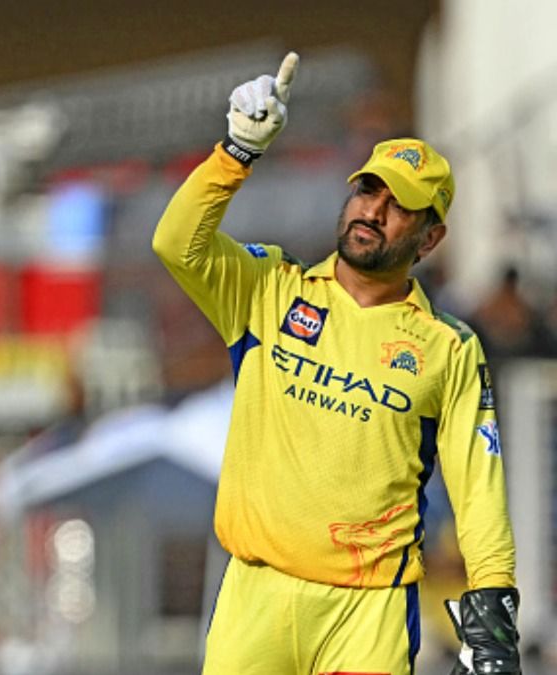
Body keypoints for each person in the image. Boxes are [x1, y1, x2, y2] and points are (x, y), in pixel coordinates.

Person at [152, 52, 519, 674]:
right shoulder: (271, 288)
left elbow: (478, 490)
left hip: (367, 613)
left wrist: (492, 615)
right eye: (366, 189)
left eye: (397, 204)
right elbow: (176, 244)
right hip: (255, 596)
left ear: (429, 239)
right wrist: (236, 151)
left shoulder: (449, 347)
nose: (372, 210)